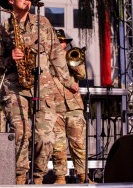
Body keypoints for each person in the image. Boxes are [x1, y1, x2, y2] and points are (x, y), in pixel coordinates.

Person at [0, 0, 78, 184]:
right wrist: (10, 57)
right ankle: (20, 177)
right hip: (15, 88)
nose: (28, 0)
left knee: (46, 138)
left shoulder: (44, 23)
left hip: (43, 86)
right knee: (20, 134)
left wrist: (68, 81)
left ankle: (38, 177)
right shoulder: (2, 29)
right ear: (12, 0)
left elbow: (57, 54)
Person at [51, 29, 92, 184]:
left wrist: (73, 61)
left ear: (65, 44)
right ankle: (60, 177)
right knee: (58, 145)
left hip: (74, 106)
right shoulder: (46, 59)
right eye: (57, 41)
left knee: (79, 143)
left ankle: (83, 177)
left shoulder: (72, 56)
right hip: (55, 106)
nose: (60, 44)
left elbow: (82, 75)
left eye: (62, 42)